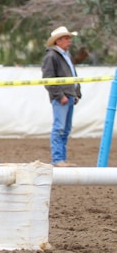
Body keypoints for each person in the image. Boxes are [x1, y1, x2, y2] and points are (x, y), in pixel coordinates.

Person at [41, 26, 82, 167]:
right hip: (63, 98)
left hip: (69, 96)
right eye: (66, 38)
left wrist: (76, 93)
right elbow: (48, 79)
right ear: (57, 41)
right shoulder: (52, 56)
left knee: (65, 129)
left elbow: (73, 75)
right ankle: (57, 159)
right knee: (59, 128)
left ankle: (61, 159)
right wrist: (60, 96)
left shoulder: (65, 55)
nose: (69, 41)